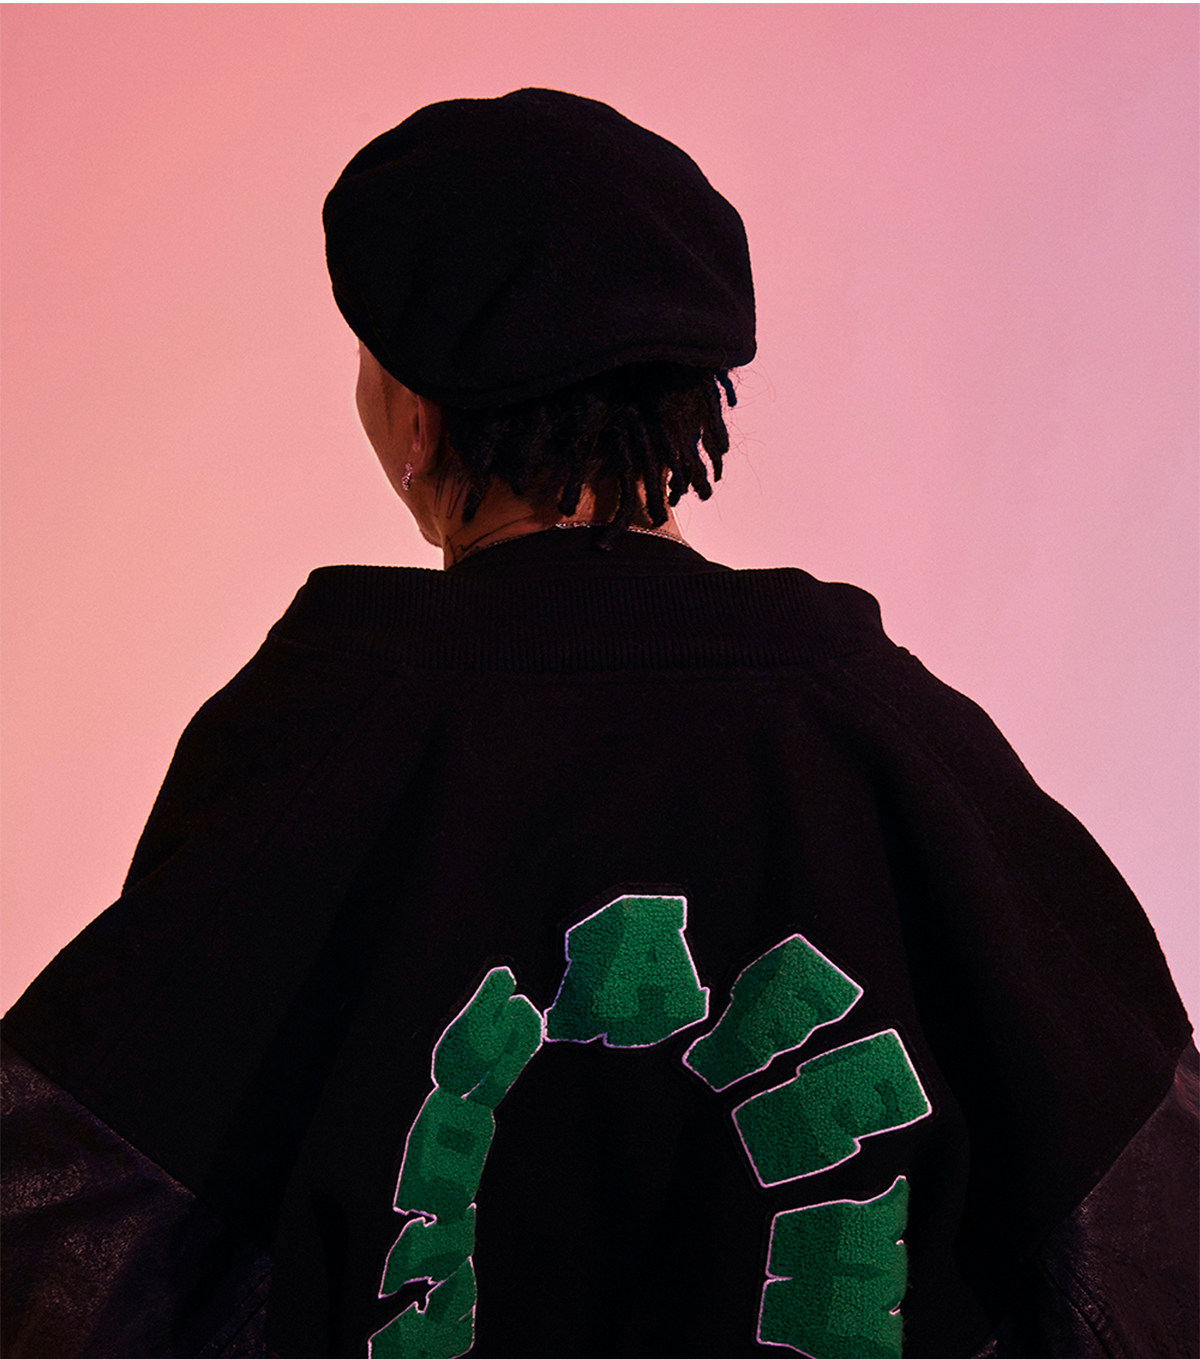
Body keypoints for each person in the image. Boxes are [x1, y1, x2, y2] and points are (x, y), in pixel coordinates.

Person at [2, 88, 1195, 1359]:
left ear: (416, 419)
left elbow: (77, 1226)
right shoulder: (902, 741)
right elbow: (1147, 1230)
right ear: (687, 408)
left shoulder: (310, 741)